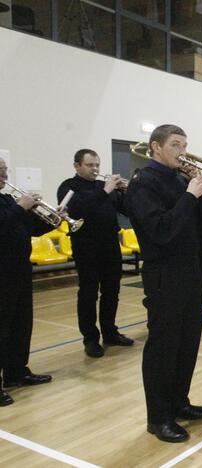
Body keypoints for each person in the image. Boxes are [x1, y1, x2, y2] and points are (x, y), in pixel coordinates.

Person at [125, 125, 202, 442]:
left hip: (190, 272)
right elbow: (162, 230)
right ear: (156, 147)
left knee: (188, 342)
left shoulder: (180, 179)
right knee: (163, 347)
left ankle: (179, 403)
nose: (183, 151)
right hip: (164, 274)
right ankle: (158, 417)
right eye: (176, 144)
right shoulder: (143, 184)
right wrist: (191, 194)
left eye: (185, 144)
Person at [57, 149, 134, 358]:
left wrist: (127, 191)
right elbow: (77, 210)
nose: (95, 169)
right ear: (77, 166)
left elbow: (127, 209)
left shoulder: (104, 187)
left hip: (110, 245)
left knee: (112, 291)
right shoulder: (68, 187)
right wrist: (106, 190)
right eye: (90, 165)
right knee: (89, 293)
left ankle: (110, 332)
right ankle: (90, 338)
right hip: (86, 247)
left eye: (97, 165)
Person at [0, 156, 54, 407]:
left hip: (19, 270)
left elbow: (29, 229)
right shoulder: (12, 204)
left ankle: (17, 372)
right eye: (0, 171)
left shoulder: (7, 199)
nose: (4, 176)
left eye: (5, 170)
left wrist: (51, 220)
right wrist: (20, 207)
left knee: (21, 323)